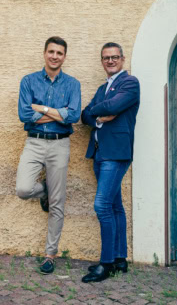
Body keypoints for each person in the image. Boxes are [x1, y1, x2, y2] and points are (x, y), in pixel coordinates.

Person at [15, 36, 81, 274]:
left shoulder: (73, 84)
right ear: (44, 53)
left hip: (59, 144)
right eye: (51, 52)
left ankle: (50, 255)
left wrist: (40, 108)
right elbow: (24, 114)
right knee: (23, 189)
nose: (55, 56)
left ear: (65, 56)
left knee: (58, 204)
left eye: (59, 53)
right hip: (34, 142)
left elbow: (73, 117)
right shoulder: (29, 81)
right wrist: (58, 113)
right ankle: (46, 189)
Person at [80, 42, 140, 283]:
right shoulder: (102, 88)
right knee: (115, 207)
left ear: (122, 59)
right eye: (106, 58)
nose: (110, 61)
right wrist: (99, 117)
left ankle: (105, 264)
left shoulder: (130, 83)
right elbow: (85, 115)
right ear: (102, 61)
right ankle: (119, 258)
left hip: (116, 153)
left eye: (115, 57)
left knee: (102, 206)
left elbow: (114, 105)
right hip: (99, 153)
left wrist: (101, 109)